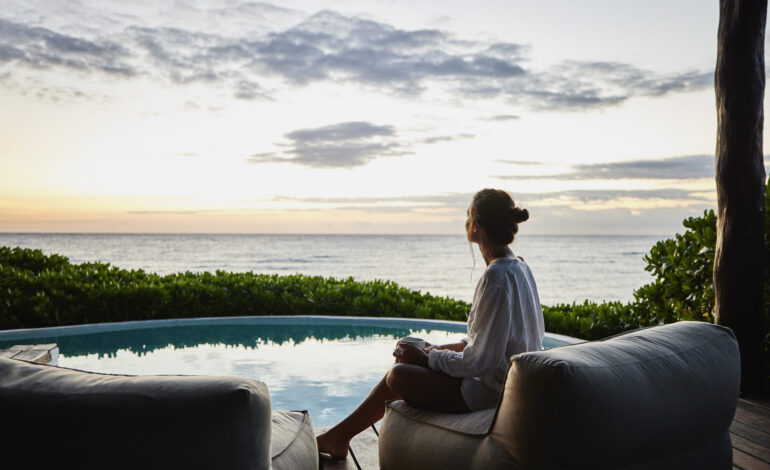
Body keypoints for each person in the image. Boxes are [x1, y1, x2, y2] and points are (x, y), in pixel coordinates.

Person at [316, 188, 545, 460]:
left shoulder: (496, 276)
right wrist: (431, 350)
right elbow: (489, 343)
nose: (466, 221)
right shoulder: (518, 266)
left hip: (490, 394)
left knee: (398, 376)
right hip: (500, 383)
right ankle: (340, 437)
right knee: (407, 359)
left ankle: (339, 437)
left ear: (477, 225)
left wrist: (429, 358)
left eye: (468, 215)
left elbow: (480, 362)